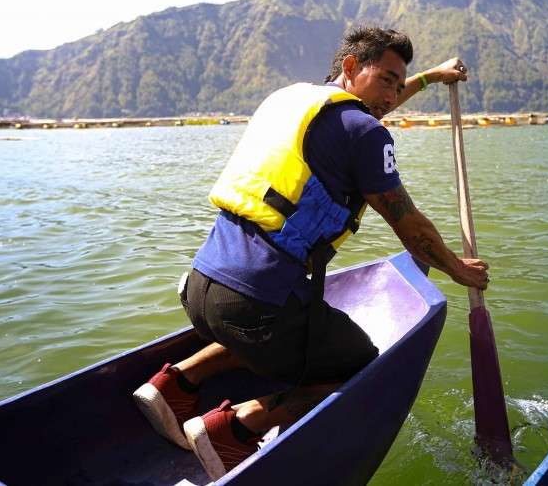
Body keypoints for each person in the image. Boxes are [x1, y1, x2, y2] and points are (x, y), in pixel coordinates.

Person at [133, 25, 490, 480]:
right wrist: (458, 269)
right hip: (256, 304)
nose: (392, 95)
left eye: (399, 85)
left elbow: (370, 110)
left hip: (203, 287)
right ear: (351, 67)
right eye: (387, 80)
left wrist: (432, 77)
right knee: (362, 363)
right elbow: (410, 226)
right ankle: (237, 426)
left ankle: (176, 383)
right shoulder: (363, 132)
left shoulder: (296, 101)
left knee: (278, 325)